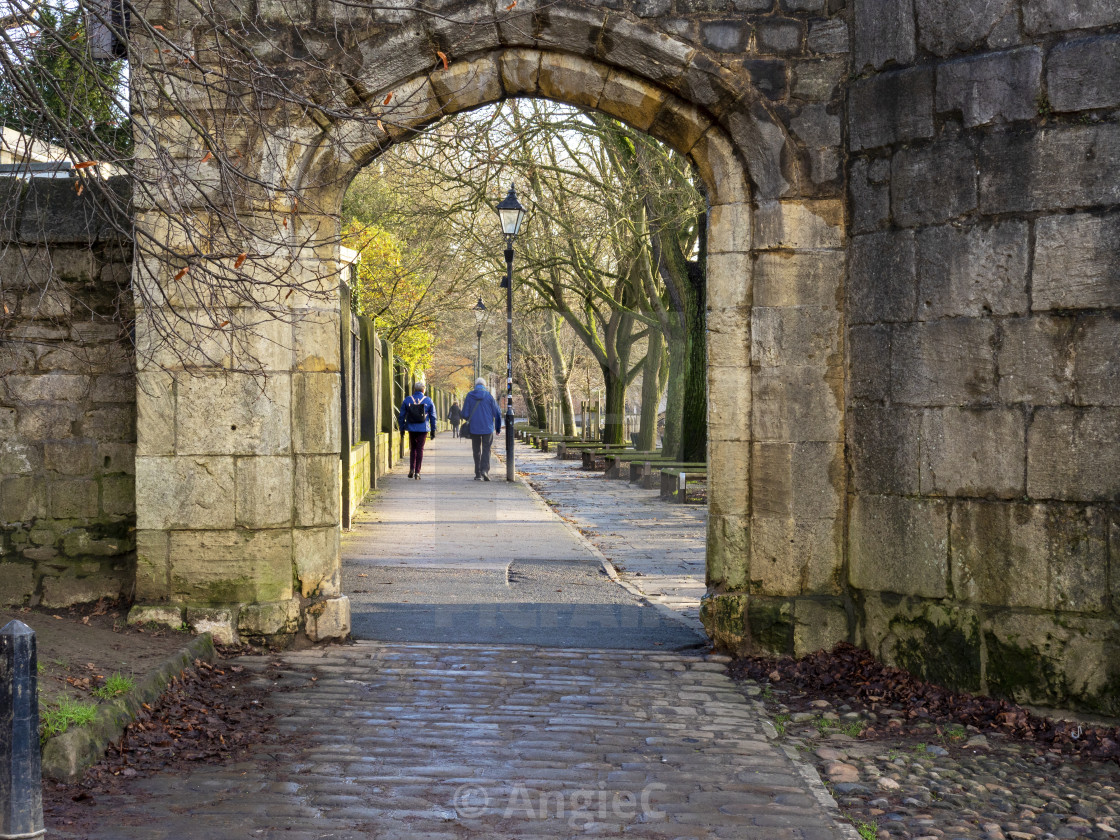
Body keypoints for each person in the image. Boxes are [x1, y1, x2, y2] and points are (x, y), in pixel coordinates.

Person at [460, 377, 502, 481]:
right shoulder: (489, 396)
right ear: (484, 385)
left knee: (476, 450)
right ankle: (485, 470)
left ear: (476, 385)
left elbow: (464, 413)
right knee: (486, 449)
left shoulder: (469, 396)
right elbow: (497, 413)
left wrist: (470, 418)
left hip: (474, 427)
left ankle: (478, 473)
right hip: (487, 428)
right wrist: (497, 428)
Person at [398, 381, 436, 480]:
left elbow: (401, 415)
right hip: (423, 428)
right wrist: (433, 430)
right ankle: (417, 472)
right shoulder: (428, 400)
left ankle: (411, 468)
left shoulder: (407, 400)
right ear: (424, 390)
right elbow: (433, 416)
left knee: (413, 448)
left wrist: (402, 428)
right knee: (420, 449)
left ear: (414, 389)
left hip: (411, 427)